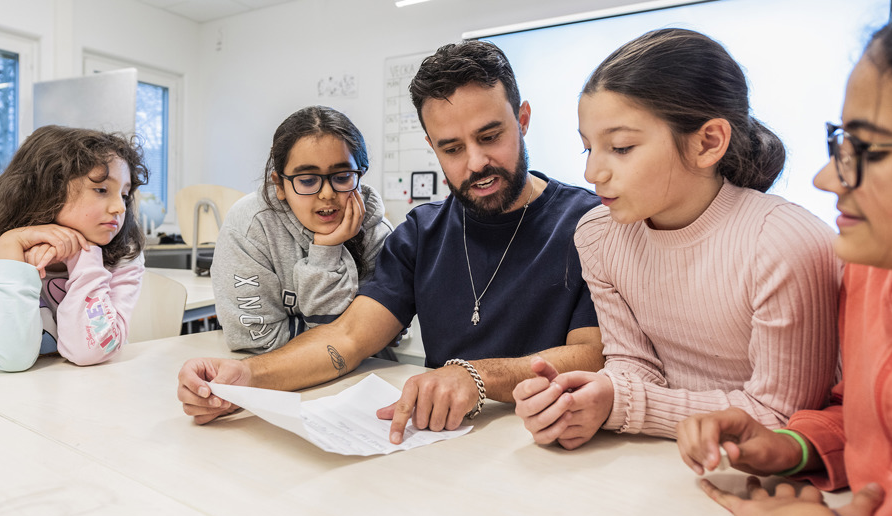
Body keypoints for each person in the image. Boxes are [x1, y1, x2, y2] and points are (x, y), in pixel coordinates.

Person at [177, 40, 603, 442]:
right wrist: (247, 378)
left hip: (554, 437)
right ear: (431, 147)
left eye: (490, 136)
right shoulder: (421, 233)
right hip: (445, 443)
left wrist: (475, 376)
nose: (476, 162)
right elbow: (346, 337)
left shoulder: (588, 225)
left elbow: (593, 354)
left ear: (523, 119)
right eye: (451, 148)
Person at [513, 28, 840, 450]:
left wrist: (623, 405)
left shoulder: (782, 244)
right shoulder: (598, 235)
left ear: (708, 143)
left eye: (622, 147)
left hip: (775, 481)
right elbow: (632, 363)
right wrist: (587, 398)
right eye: (587, 149)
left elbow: (782, 418)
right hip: (661, 460)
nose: (592, 173)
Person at [676, 20, 892, 516]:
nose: (825, 179)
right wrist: (793, 446)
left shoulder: (787, 240)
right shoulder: (867, 270)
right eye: (840, 142)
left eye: (867, 149)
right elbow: (868, 418)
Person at [0, 125, 148, 372]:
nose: (120, 208)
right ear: (45, 188)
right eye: (101, 190)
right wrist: (11, 247)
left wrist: (84, 256)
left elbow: (90, 351)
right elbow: (9, 358)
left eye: (124, 194)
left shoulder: (123, 256)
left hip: (95, 393)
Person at [212, 106, 392, 353]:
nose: (327, 193)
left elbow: (384, 337)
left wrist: (327, 251)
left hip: (364, 379)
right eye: (307, 180)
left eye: (342, 177)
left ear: (360, 175)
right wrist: (347, 334)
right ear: (280, 185)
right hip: (274, 383)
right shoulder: (250, 227)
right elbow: (257, 344)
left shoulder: (378, 233)